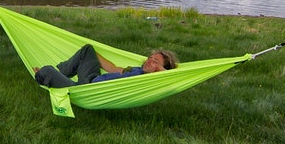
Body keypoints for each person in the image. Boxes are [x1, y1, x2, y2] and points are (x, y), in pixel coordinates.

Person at [34, 44, 178, 88]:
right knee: (87, 49)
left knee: (46, 71)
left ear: (160, 69)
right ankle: (60, 73)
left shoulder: (145, 81)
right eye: (150, 58)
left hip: (87, 89)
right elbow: (113, 69)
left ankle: (46, 75)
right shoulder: (137, 70)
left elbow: (168, 76)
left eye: (155, 62)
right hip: (92, 77)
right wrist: (93, 55)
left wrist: (159, 70)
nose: (149, 61)